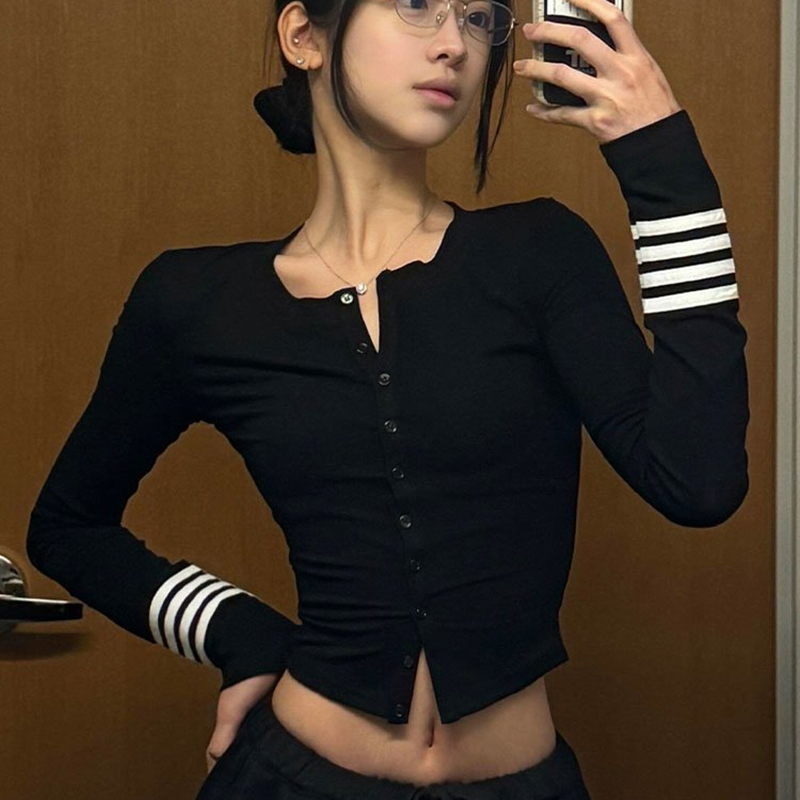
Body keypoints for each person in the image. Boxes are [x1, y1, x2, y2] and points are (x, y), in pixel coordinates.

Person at [26, 0, 749, 796]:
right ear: (304, 36)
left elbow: (698, 481)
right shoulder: (196, 302)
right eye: (415, 5)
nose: (454, 45)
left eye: (478, 18)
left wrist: (662, 161)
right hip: (286, 777)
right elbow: (68, 528)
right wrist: (240, 635)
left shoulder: (538, 254)